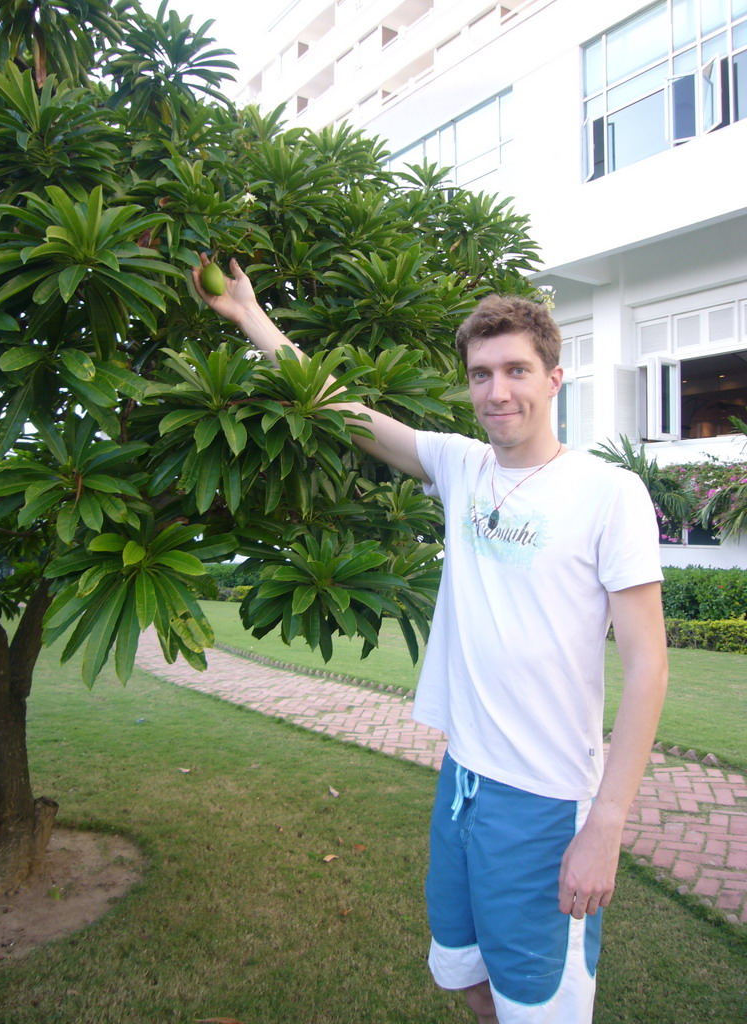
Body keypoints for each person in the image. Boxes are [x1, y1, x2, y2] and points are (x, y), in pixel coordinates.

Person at [193, 255, 668, 1024]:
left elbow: (648, 668)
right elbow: (339, 407)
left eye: (516, 369)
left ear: (554, 378)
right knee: (463, 970)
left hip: (548, 800)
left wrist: (606, 825)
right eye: (481, 374)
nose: (497, 390)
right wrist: (250, 317)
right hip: (463, 782)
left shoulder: (608, 492)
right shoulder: (462, 466)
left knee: (541, 1003)